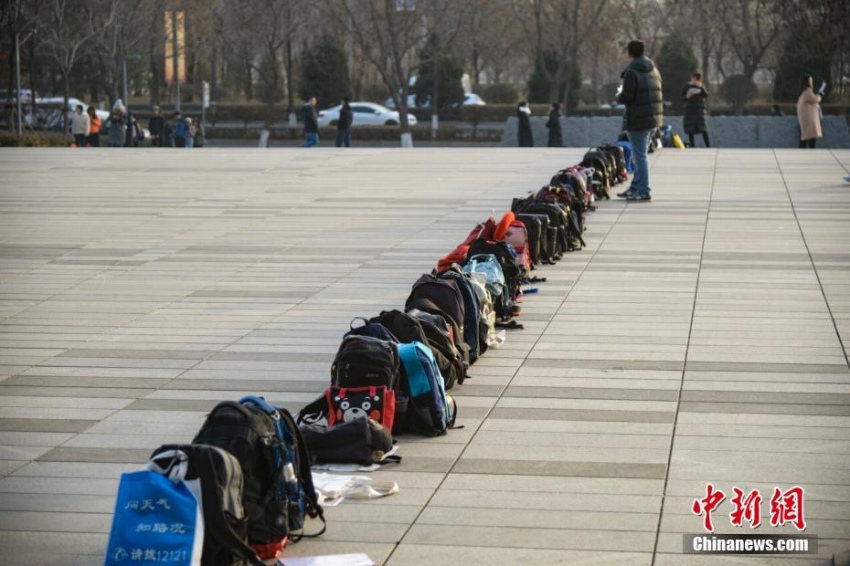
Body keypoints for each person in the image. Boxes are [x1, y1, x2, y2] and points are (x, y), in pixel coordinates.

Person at [615, 40, 663, 201]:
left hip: (638, 119)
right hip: (653, 119)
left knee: (639, 156)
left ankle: (643, 190)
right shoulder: (653, 69)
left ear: (630, 53)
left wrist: (618, 96)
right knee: (639, 155)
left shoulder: (632, 71)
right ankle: (635, 187)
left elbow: (627, 96)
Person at [682, 72, 710, 148]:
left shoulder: (701, 86)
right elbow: (682, 98)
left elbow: (706, 95)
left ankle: (708, 146)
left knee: (703, 129)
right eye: (694, 78)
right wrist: (687, 96)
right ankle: (693, 146)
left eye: (697, 78)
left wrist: (701, 87)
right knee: (690, 130)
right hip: (690, 112)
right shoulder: (687, 86)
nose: (695, 80)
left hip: (700, 112)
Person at [796, 75, 822, 149]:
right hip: (810, 121)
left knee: (805, 139)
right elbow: (815, 99)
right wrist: (819, 96)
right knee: (810, 140)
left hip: (806, 120)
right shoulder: (807, 92)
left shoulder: (803, 93)